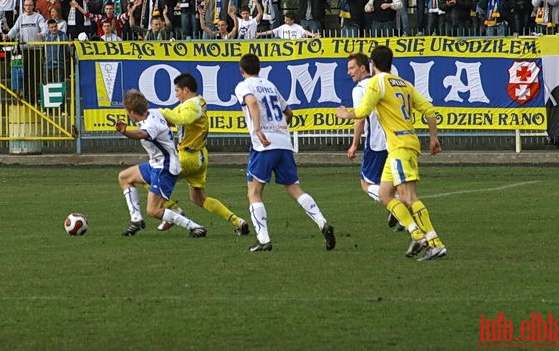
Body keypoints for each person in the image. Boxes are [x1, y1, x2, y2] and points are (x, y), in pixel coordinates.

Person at [335, 45, 446, 261]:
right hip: (398, 146)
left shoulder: (378, 82)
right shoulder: (403, 83)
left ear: (372, 64)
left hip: (400, 146)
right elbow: (429, 110)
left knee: (408, 196)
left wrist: (344, 114)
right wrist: (433, 138)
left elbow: (363, 111)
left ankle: (435, 243)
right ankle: (417, 235)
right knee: (385, 195)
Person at [235, 53, 335, 252]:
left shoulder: (243, 86)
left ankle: (263, 240)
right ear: (260, 68)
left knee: (254, 193)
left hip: (263, 145)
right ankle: (322, 222)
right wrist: (279, 128)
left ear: (241, 70)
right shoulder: (270, 86)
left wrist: (258, 129)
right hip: (283, 143)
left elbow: (252, 103)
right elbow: (289, 113)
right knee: (294, 189)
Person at [156, 73, 249, 235]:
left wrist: (159, 111)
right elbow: (174, 118)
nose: (176, 94)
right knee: (199, 199)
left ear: (185, 90)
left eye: (177, 91)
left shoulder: (190, 106)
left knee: (150, 178)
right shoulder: (197, 101)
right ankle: (237, 221)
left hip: (187, 157)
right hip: (200, 156)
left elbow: (184, 118)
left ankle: (174, 210)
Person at [115, 90, 207, 238]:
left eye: (127, 111)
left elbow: (142, 134)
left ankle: (195, 227)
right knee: (124, 177)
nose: (127, 114)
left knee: (153, 210)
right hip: (155, 164)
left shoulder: (150, 124)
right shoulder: (154, 112)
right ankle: (136, 220)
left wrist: (125, 131)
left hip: (165, 168)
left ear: (132, 111)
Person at [344, 53, 400, 230]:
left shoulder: (360, 89)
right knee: (391, 182)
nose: (349, 72)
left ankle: (398, 207)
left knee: (367, 184)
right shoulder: (384, 83)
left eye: (351, 68)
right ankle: (400, 207)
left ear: (363, 67)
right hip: (393, 140)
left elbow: (360, 117)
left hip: (376, 143)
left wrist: (354, 144)